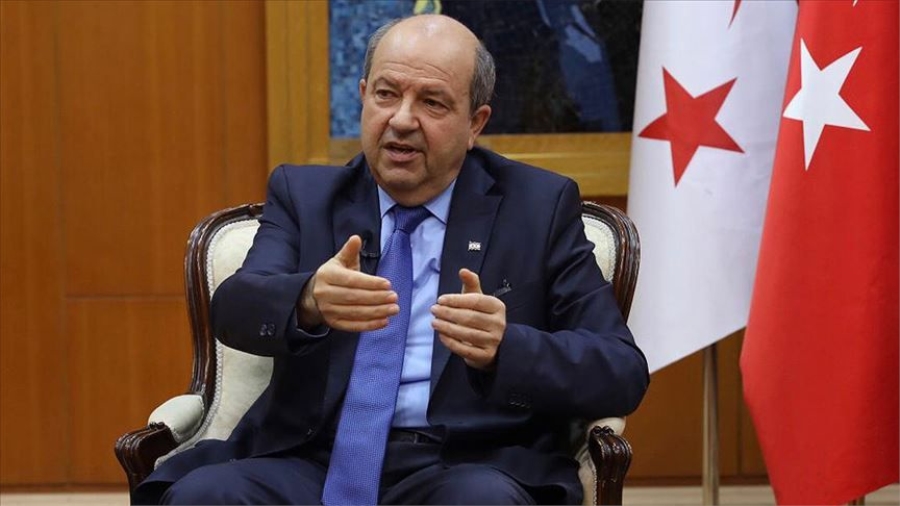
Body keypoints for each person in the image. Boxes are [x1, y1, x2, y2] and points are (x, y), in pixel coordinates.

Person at [134, 13, 648, 506]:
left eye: (432, 102)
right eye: (386, 94)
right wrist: (306, 300)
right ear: (363, 96)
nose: (401, 120)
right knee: (206, 496)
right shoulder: (305, 196)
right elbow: (235, 310)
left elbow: (620, 370)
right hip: (308, 457)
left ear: (475, 123)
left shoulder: (537, 207)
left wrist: (505, 347)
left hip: (462, 463)